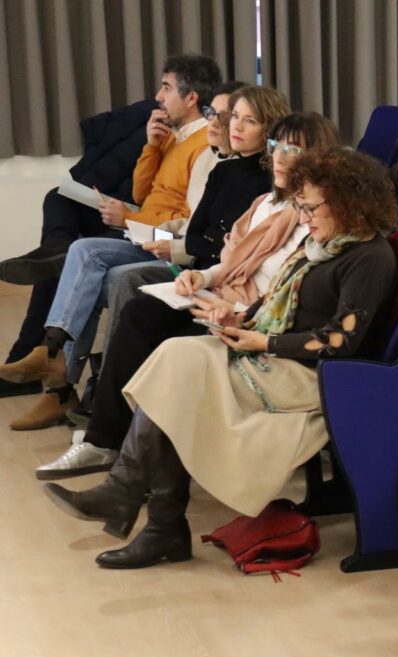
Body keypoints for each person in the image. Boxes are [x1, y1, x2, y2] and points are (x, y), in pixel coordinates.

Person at [42, 147, 398, 570]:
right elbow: (282, 304)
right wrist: (240, 316)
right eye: (300, 206)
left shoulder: (369, 257)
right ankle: (149, 514)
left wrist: (260, 342)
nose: (303, 217)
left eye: (310, 207)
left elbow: (340, 341)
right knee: (176, 364)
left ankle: (147, 512)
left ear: (348, 201)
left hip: (313, 377)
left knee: (179, 367)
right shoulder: (325, 246)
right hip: (281, 357)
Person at [33, 112, 341, 481]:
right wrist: (200, 276)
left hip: (251, 314)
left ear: (320, 157)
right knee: (140, 311)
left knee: (152, 322)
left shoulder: (315, 217)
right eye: (276, 147)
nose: (278, 157)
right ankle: (104, 437)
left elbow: (289, 290)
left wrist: (235, 306)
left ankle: (130, 451)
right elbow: (230, 262)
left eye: (293, 150)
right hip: (225, 293)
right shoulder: (267, 203)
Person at [0, 86, 289, 431]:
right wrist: (151, 153)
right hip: (161, 235)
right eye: (224, 116)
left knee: (100, 275)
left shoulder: (246, 173)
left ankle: (94, 386)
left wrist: (161, 237)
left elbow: (218, 242)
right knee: (80, 251)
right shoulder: (218, 165)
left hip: (187, 256)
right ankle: (54, 357)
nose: (226, 124)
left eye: (239, 119)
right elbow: (173, 210)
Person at [0, 54, 222, 398]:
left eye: (166, 88)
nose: (158, 97)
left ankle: (58, 373)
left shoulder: (205, 145)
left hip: (160, 236)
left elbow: (187, 222)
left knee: (77, 259)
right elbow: (141, 191)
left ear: (191, 97)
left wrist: (128, 219)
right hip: (143, 224)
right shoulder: (173, 136)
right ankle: (53, 364)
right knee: (61, 210)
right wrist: (151, 145)